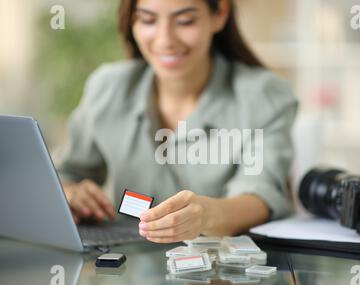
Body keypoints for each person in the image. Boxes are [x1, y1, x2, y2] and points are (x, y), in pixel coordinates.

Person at [57, 0, 298, 244]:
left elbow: (261, 194)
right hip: (126, 269)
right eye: (148, 20)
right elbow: (68, 174)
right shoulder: (107, 87)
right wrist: (69, 193)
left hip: (222, 270)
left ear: (220, 14)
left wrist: (205, 216)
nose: (165, 40)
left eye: (185, 21)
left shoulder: (265, 96)